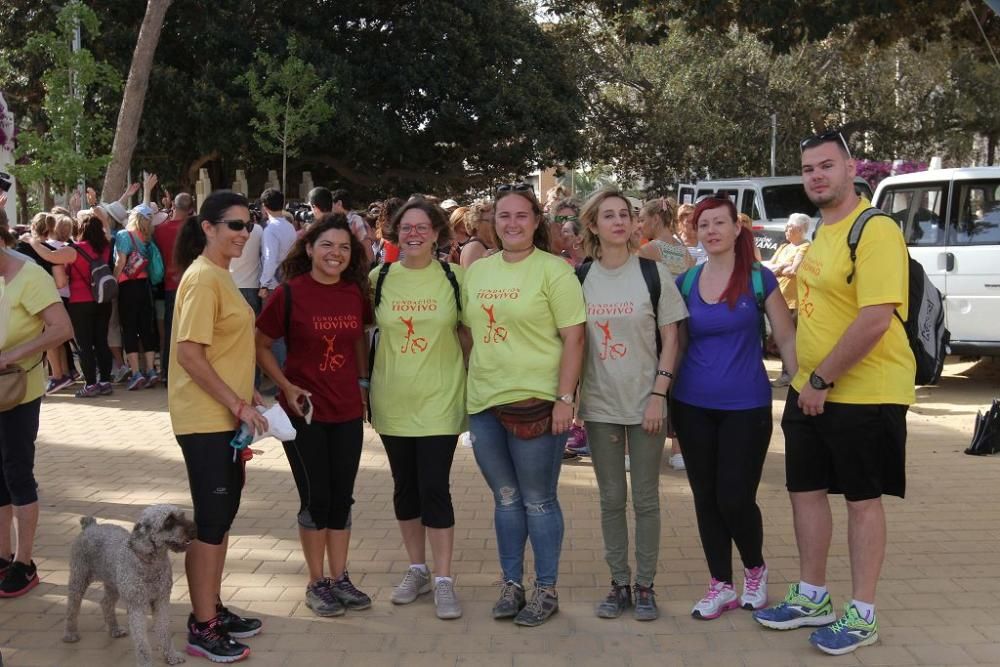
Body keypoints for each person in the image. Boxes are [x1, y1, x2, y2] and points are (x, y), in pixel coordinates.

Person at [753, 131, 915, 657]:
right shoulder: (822, 231)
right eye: (808, 169)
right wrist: (803, 377)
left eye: (826, 166)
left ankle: (862, 613)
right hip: (811, 391)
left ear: (850, 169)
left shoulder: (875, 230)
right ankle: (813, 596)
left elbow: (874, 320)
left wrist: (822, 380)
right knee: (805, 491)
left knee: (863, 502)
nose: (817, 176)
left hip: (864, 392)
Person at [463, 185, 585, 627]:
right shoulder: (477, 271)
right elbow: (467, 331)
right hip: (484, 403)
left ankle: (546, 589)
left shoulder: (555, 271)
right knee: (506, 498)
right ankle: (511, 585)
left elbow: (575, 338)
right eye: (503, 216)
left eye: (521, 216)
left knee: (538, 500)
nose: (512, 223)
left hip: (538, 402)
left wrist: (565, 399)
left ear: (536, 221)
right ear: (492, 223)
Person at [671, 194, 797, 621]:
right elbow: (677, 343)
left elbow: (786, 334)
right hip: (692, 405)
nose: (711, 231)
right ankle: (720, 584)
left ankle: (755, 569)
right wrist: (662, 395)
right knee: (706, 498)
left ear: (735, 227)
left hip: (747, 405)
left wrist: (801, 383)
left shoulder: (760, 279)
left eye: (719, 223)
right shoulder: (685, 282)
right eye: (704, 224)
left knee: (735, 497)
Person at [576, 188, 687, 621]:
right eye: (609, 215)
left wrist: (659, 394)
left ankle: (645, 586)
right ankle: (618, 583)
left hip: (648, 405)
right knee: (610, 498)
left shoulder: (652, 272)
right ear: (593, 225)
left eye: (626, 214)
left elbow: (672, 338)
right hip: (601, 405)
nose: (620, 221)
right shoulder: (581, 277)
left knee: (645, 499)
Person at [255, 213, 374, 619]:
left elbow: (358, 338)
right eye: (327, 245)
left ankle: (340, 578)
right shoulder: (290, 293)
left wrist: (362, 384)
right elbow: (260, 344)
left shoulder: (355, 293)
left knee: (342, 498)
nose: (335, 254)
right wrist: (285, 387)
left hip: (346, 410)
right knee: (316, 497)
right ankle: (316, 582)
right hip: (304, 414)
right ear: (309, 249)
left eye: (343, 247)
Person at [169, 191, 265, 662]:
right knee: (210, 524)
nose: (243, 233)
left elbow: (224, 350)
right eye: (234, 225)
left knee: (220, 521)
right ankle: (201, 626)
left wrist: (248, 395)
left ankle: (212, 608)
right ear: (207, 227)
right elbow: (190, 353)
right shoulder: (204, 279)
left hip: (224, 416)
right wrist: (235, 403)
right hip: (206, 419)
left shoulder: (220, 275)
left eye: (248, 225)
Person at [369, 198, 467, 620]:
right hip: (392, 400)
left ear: (437, 232)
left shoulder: (454, 276)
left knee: (434, 487)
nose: (413, 234)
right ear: (395, 232)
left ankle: (443, 578)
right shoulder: (380, 276)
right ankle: (417, 569)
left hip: (440, 400)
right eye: (406, 227)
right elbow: (365, 334)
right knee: (404, 487)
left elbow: (467, 334)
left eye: (422, 227)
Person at [0, 243, 73, 597]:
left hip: (16, 390)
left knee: (17, 474)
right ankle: (3, 556)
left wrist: (12, 354)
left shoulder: (29, 275)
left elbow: (61, 329)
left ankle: (24, 563)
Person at [64, 213, 115, 397]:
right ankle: (105, 381)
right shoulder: (105, 248)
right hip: (103, 299)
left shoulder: (74, 249)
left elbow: (65, 275)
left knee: (84, 344)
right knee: (102, 340)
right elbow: (107, 229)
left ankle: (91, 384)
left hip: (79, 301)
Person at [113, 205, 161, 390]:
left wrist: (114, 280)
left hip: (127, 286)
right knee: (146, 328)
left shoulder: (124, 235)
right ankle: (150, 370)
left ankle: (136, 373)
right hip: (145, 286)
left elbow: (121, 261)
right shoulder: (148, 238)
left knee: (130, 329)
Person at [764, 213, 812, 387]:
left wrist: (780, 268)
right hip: (779, 298)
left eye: (789, 226)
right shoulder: (785, 247)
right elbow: (768, 267)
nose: (786, 229)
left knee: (788, 338)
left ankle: (789, 374)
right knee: (777, 338)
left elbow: (794, 270)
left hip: (794, 300)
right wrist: (782, 267)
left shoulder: (805, 247)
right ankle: (789, 373)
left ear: (799, 229)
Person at [154, 193, 193, 386]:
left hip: (169, 285)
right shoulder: (194, 230)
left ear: (173, 207)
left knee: (171, 330)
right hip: (192, 284)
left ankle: (167, 372)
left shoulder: (160, 230)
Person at [332, 189, 375, 265]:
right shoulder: (339, 222)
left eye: (331, 204)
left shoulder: (356, 221)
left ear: (339, 203)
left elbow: (367, 251)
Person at [459, 200, 496, 268]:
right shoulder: (473, 247)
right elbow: (474, 277)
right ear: (477, 223)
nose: (496, 224)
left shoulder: (486, 244)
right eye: (492, 220)